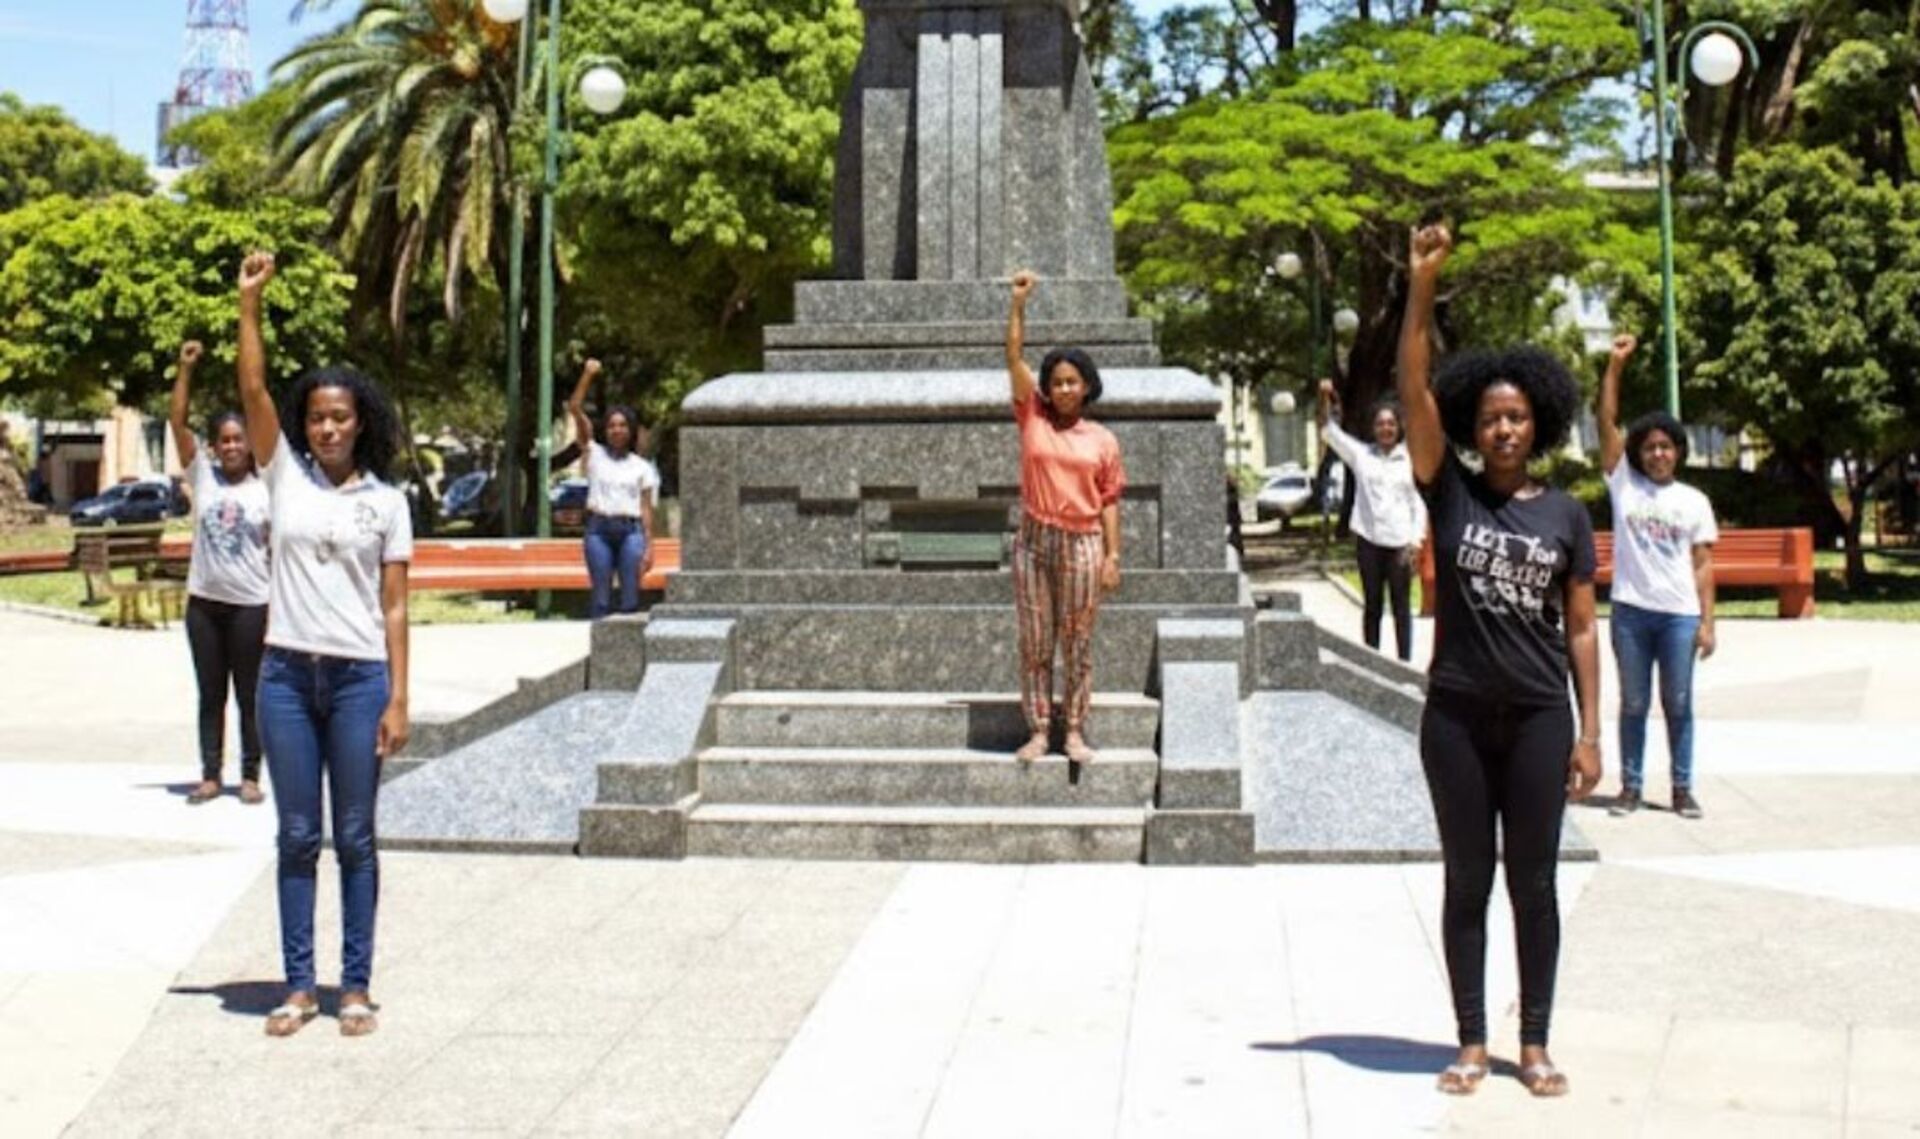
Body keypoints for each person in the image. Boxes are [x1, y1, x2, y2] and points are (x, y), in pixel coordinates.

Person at [1397, 222, 1602, 1098]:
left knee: (1535, 883)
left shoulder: (1567, 516)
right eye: (1491, 417)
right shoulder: (1450, 488)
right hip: (1454, 715)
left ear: (1539, 422)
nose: (1505, 427)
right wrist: (1419, 287)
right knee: (1467, 879)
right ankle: (1472, 1039)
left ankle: (1537, 1042)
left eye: (1517, 416)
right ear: (1473, 425)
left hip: (1538, 717)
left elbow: (1583, 629)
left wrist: (1592, 736)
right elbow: (1412, 388)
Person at [234, 251, 412, 1039]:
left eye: (340, 416)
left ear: (360, 421)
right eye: (317, 417)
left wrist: (400, 697)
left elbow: (397, 606)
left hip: (358, 681)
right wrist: (249, 308)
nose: (328, 426)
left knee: (357, 836)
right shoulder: (285, 478)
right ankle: (301, 985)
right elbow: (250, 391)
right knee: (298, 835)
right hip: (284, 677)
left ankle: (357, 986)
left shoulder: (389, 502)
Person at [1005, 270, 1126, 764]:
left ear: (1086, 386)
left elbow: (1110, 500)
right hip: (1034, 539)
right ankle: (1038, 729)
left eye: (1071, 381)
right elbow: (1013, 357)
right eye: (1055, 382)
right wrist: (1018, 306)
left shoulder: (1102, 440)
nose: (1062, 389)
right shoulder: (1031, 415)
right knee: (1036, 639)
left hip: (1082, 542)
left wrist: (1113, 555)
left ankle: (1073, 730)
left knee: (1076, 641)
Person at [1595, 334, 1718, 819]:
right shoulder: (1624, 485)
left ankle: (1682, 789)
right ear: (1638, 453)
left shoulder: (1693, 501)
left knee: (1679, 703)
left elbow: (1703, 565)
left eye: (1666, 447)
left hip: (1678, 617)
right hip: (1630, 613)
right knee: (1633, 703)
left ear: (1678, 452)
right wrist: (1615, 367)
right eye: (1649, 448)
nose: (1658, 455)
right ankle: (1630, 786)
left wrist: (1707, 623)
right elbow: (1605, 421)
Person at [167, 339, 272, 806]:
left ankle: (250, 774)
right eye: (224, 440)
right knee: (211, 693)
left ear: (251, 444)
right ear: (215, 446)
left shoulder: (269, 487)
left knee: (249, 694)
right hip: (205, 606)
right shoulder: (203, 478)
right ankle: (210, 773)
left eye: (238, 439)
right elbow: (176, 423)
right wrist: (185, 370)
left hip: (250, 606)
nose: (232, 446)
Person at [1318, 378, 1428, 661]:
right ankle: (1372, 663)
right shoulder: (1361, 455)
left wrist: (1415, 542)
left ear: (1398, 427)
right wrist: (1324, 398)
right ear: (1373, 429)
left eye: (1391, 423)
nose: (1386, 429)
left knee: (1401, 607)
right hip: (1368, 540)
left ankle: (1404, 665)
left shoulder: (1410, 457)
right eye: (1380, 424)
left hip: (1401, 543)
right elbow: (1328, 431)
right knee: (1373, 605)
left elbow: (1418, 503)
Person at [566, 358, 659, 619]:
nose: (616, 430)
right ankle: (600, 648)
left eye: (622, 425)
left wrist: (650, 546)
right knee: (601, 597)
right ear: (605, 430)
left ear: (630, 430)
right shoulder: (594, 453)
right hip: (599, 531)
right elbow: (574, 408)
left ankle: (626, 650)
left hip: (631, 532)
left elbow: (645, 508)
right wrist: (587, 375)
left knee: (630, 596)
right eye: (611, 426)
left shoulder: (641, 467)